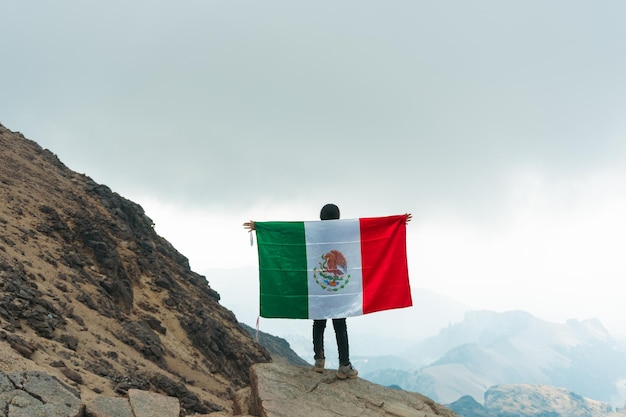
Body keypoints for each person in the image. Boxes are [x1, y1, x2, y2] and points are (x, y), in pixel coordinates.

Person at [244, 204, 412, 380]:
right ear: (338, 217)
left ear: (321, 217)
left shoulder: (313, 231)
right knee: (340, 325)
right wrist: (398, 223)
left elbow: (288, 232)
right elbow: (373, 229)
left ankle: (319, 361)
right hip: (340, 293)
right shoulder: (346, 230)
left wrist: (260, 227)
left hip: (318, 291)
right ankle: (344, 365)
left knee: (319, 322)